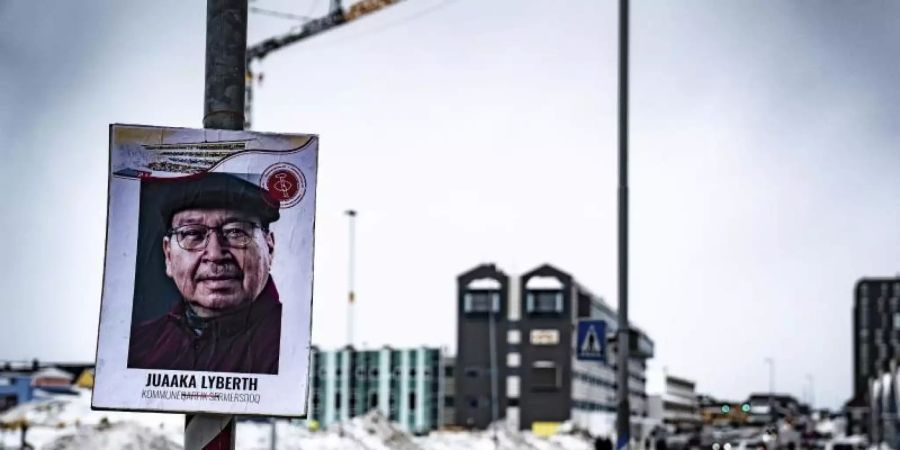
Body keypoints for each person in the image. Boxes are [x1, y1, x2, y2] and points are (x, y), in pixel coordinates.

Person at [128, 172, 283, 374]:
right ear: (168, 255)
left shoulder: (292, 347)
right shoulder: (137, 346)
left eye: (236, 231)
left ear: (269, 248)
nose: (215, 254)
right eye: (193, 234)